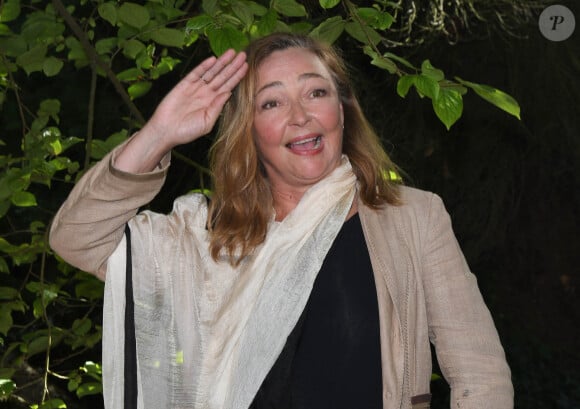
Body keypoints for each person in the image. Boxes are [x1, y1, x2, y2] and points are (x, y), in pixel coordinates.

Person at [49, 32, 513, 409]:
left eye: (316, 92)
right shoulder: (206, 233)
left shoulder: (413, 219)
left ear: (342, 111)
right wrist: (158, 135)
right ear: (248, 129)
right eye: (272, 103)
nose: (300, 116)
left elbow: (480, 376)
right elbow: (78, 239)